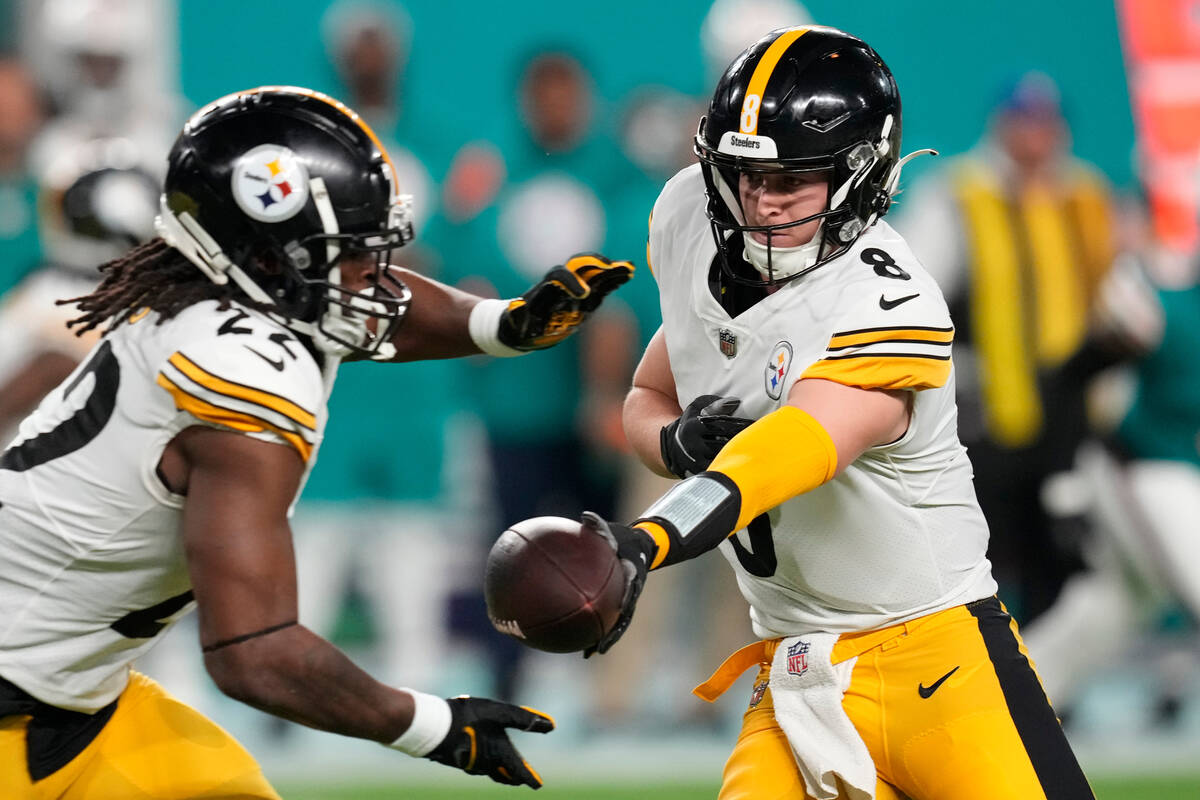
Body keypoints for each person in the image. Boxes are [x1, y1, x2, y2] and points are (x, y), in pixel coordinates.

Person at [0, 86, 632, 797]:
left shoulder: (212, 292)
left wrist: (502, 325)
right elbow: (252, 652)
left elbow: (374, 307)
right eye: (349, 255)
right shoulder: (238, 379)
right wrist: (435, 725)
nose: (375, 278)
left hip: (77, 703)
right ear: (267, 263)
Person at [576, 27, 1095, 799]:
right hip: (796, 676)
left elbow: (797, 444)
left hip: (942, 665)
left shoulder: (889, 297)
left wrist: (645, 541)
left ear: (860, 176)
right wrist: (676, 442)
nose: (761, 202)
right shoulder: (689, 217)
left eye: (792, 180)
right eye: (747, 177)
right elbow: (649, 397)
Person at [892, 71, 1123, 624]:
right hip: (983, 420)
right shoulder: (958, 194)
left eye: (1047, 122)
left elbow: (1111, 296)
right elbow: (905, 291)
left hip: (1070, 423)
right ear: (1002, 125)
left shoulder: (1087, 197)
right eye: (1025, 121)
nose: (1037, 135)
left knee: (1064, 566)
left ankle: (1049, 698)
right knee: (977, 566)